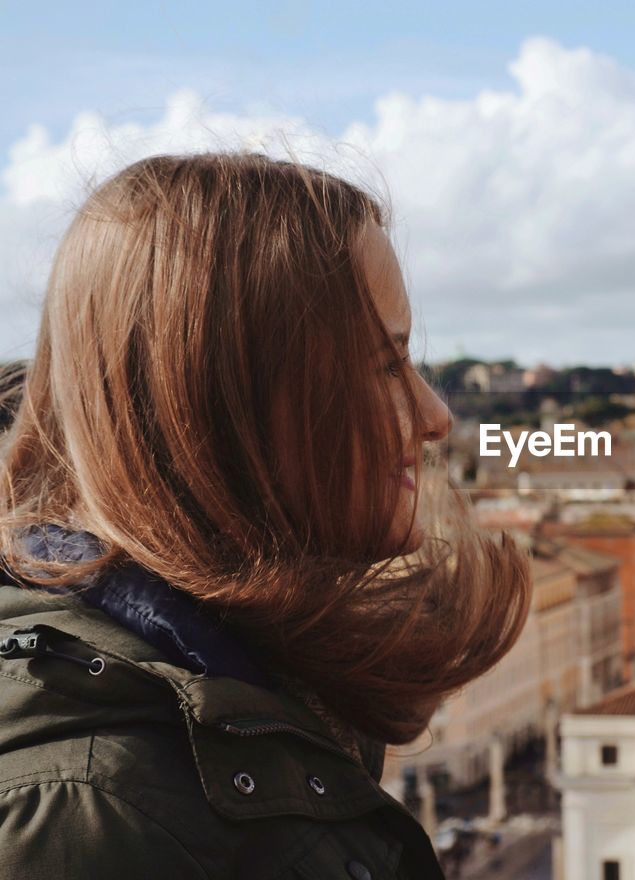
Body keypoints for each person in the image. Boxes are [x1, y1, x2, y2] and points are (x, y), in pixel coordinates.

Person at [0, 152, 531, 877]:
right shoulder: (89, 819)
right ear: (222, 403)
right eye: (383, 367)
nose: (435, 417)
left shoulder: (243, 695)